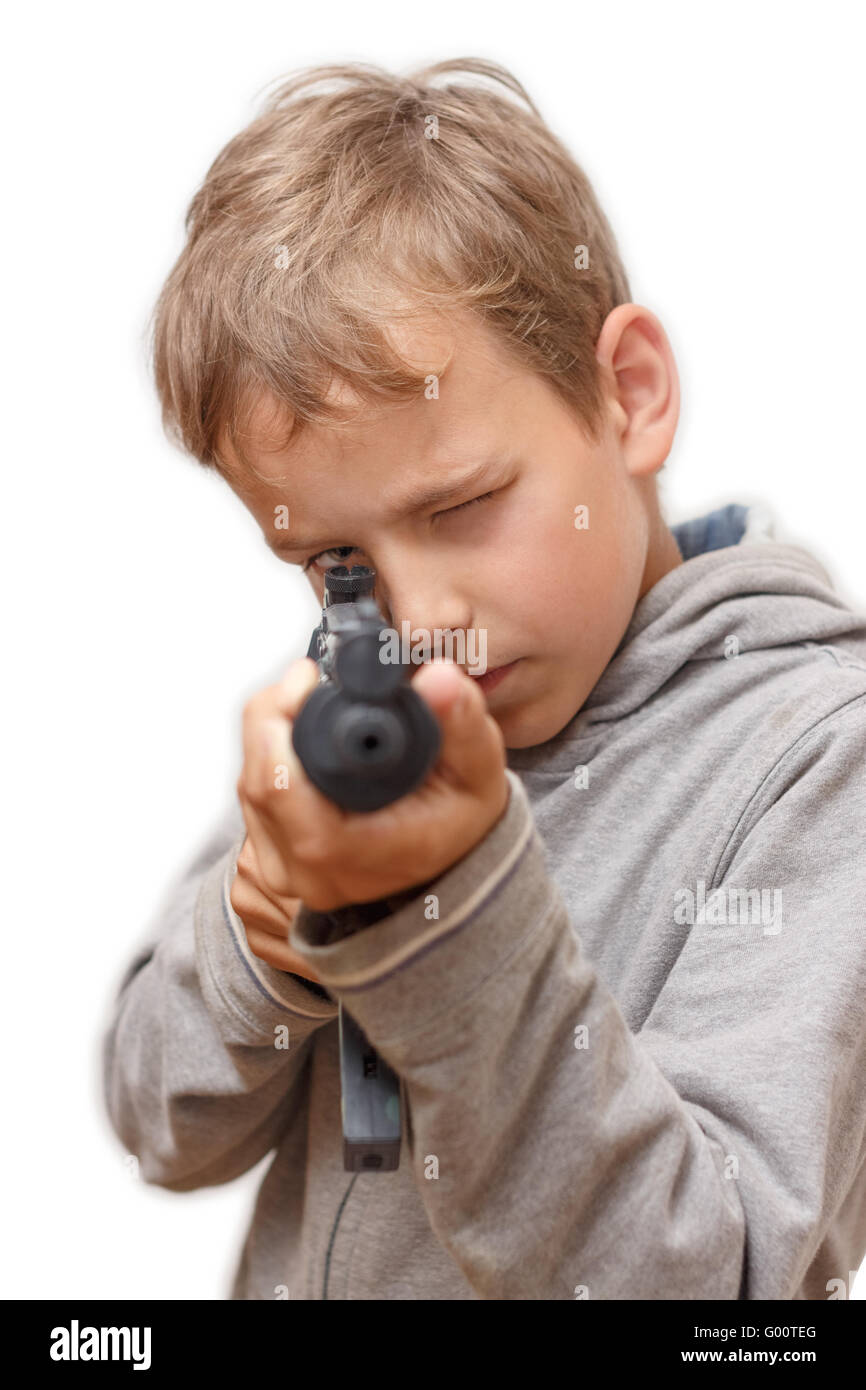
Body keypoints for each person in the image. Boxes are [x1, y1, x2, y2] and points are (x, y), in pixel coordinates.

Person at [102, 57, 866, 1300]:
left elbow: (707, 1291)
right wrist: (262, 931)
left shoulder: (816, 754)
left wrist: (440, 920)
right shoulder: (361, 723)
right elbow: (159, 1120)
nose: (419, 622)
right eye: (337, 564)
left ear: (628, 396)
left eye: (460, 506)